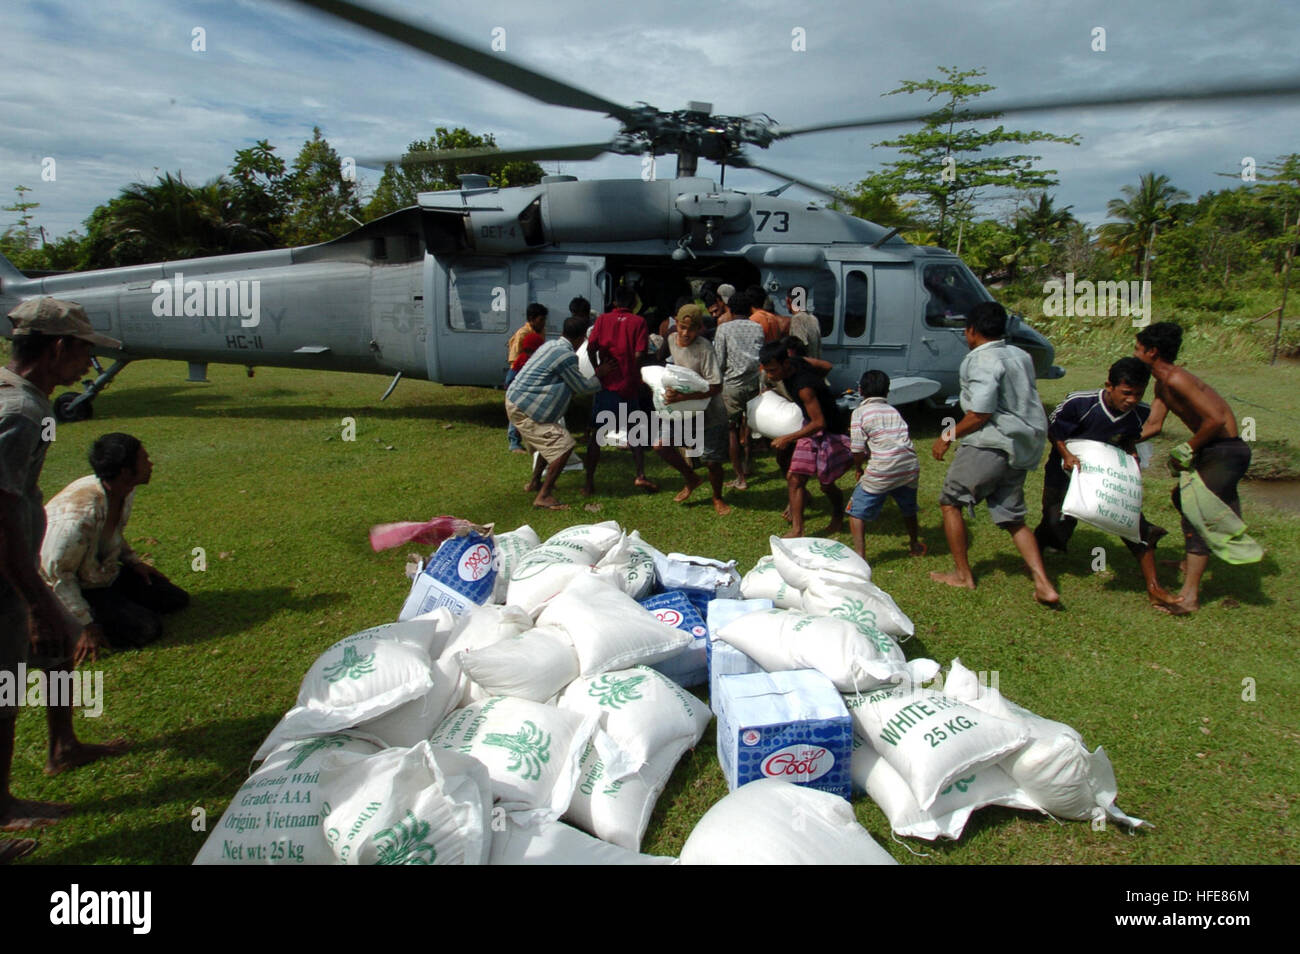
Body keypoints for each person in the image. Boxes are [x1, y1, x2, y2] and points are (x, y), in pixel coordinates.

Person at [1, 298, 128, 842]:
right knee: (5, 687)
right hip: (6, 576)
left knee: (52, 655)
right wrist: (37, 599)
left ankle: (63, 747)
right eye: (84, 353)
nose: (87, 366)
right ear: (58, 348)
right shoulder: (22, 414)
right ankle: (1, 807)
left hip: (18, 564)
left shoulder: (30, 402)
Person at [930, 300, 1060, 607]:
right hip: (1022, 447)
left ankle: (963, 575)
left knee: (950, 502)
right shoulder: (1021, 355)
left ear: (971, 331)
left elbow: (980, 413)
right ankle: (1043, 583)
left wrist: (947, 435)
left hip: (991, 444)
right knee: (1012, 518)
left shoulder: (980, 360)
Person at [1034, 357, 1186, 615]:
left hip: (1105, 476)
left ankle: (1154, 588)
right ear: (1110, 386)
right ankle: (1036, 564)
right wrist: (1066, 454)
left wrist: (1131, 452)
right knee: (1055, 522)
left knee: (1137, 528)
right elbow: (1054, 430)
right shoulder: (1080, 403)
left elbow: (1131, 440)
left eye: (1138, 394)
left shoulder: (1140, 414)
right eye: (1126, 393)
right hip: (1065, 471)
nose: (1132, 400)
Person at [1134, 321, 1255, 611]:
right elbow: (1153, 424)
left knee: (1196, 514)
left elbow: (1215, 420)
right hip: (1212, 449)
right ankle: (1190, 562)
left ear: (1152, 352)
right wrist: (1119, 440)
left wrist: (1189, 446)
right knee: (1180, 497)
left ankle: (1189, 598)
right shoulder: (1162, 383)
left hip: (1226, 450)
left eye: (1137, 348)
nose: (1134, 353)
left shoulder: (1177, 379)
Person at [41, 434, 191, 653]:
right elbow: (57, 575)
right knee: (147, 629)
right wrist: (86, 626)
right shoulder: (77, 517)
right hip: (69, 587)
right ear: (125, 471)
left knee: (175, 599)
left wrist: (134, 563)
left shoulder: (122, 490)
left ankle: (113, 607)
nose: (151, 464)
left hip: (100, 575)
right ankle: (65, 626)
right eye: (144, 459)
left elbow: (112, 533)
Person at [506, 316, 603, 509]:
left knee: (550, 439)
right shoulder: (566, 356)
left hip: (517, 401)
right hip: (525, 408)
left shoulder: (550, 345)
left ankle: (535, 483)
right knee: (564, 446)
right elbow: (582, 387)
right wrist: (600, 374)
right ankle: (544, 495)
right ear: (581, 338)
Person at [759, 340, 851, 537]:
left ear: (785, 363)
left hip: (830, 431)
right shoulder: (797, 361)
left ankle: (838, 516)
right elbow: (826, 366)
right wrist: (821, 387)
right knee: (795, 478)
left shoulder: (804, 387)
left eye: (773, 371)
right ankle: (797, 530)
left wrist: (787, 438)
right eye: (767, 371)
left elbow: (819, 423)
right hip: (810, 427)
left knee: (826, 483)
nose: (770, 376)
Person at [656, 305, 731, 515]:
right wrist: (672, 391)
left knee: (712, 461)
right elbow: (674, 371)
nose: (685, 333)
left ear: (699, 328)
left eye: (691, 329)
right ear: (676, 324)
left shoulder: (704, 348)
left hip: (709, 411)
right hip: (682, 408)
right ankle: (691, 478)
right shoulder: (671, 340)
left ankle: (717, 497)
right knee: (661, 446)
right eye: (682, 327)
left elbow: (716, 386)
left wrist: (682, 396)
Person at [584, 286, 657, 495]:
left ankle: (589, 482)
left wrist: (598, 367)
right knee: (635, 430)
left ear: (615, 302)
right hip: (629, 386)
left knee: (597, 434)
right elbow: (640, 353)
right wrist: (631, 374)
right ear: (633, 304)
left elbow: (591, 347)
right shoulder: (638, 322)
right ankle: (640, 474)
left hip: (606, 384)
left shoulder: (602, 320)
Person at [846, 370, 924, 559]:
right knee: (908, 508)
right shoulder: (893, 410)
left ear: (860, 390)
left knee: (855, 512)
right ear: (887, 391)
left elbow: (857, 449)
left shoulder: (859, 413)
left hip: (883, 467)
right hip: (909, 465)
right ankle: (914, 544)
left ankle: (860, 556)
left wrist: (858, 468)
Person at [708, 290, 764, 489]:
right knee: (747, 426)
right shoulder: (758, 328)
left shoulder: (724, 329)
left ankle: (739, 476)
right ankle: (748, 463)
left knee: (731, 429)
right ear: (750, 309)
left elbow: (719, 360)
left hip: (731, 385)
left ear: (730, 309)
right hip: (754, 383)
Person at [504, 304, 549, 453]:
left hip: (531, 373)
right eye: (541, 319)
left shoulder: (540, 331)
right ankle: (514, 442)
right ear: (531, 319)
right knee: (517, 408)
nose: (543, 323)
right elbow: (514, 359)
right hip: (518, 373)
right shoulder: (523, 334)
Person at [786, 289, 822, 360]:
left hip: (803, 366)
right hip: (814, 365)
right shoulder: (813, 319)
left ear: (788, 300)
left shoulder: (797, 319)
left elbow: (799, 346)